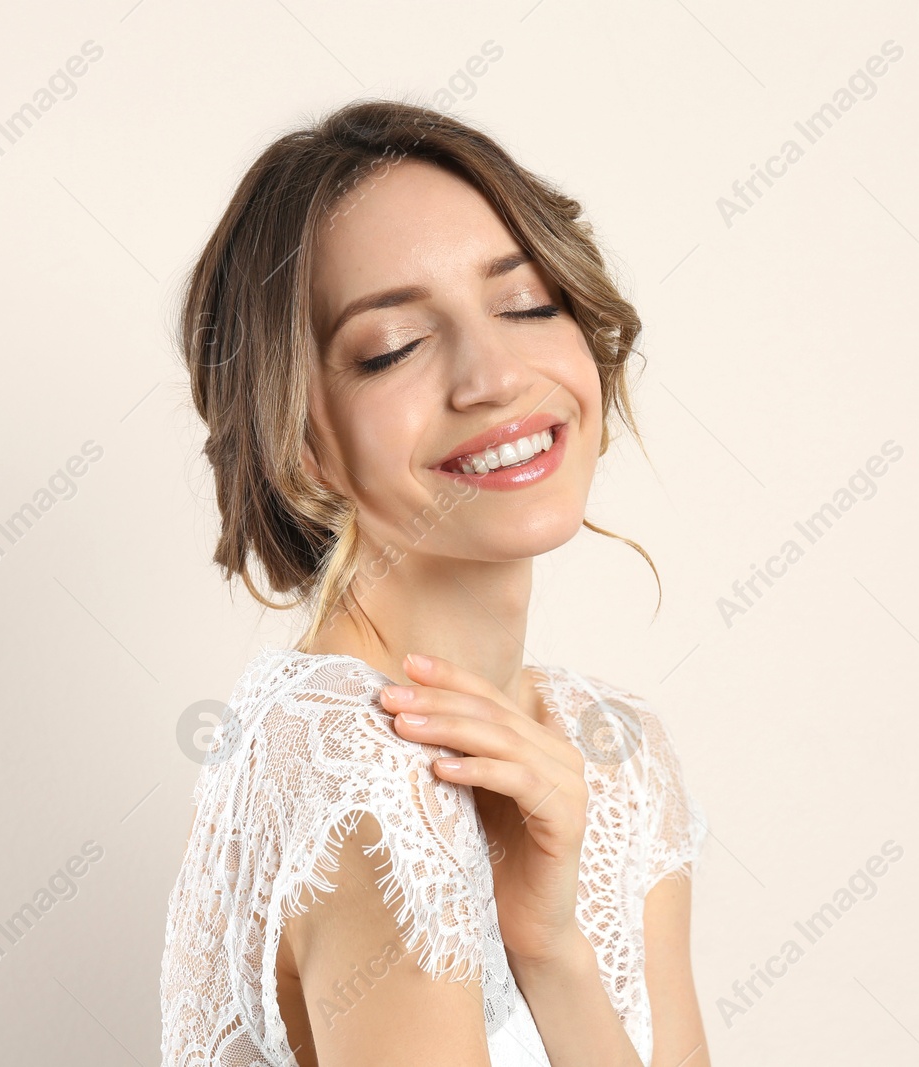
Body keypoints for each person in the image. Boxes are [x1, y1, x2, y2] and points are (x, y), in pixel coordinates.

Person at [160, 98, 710, 1066]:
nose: (493, 375)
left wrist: (551, 951)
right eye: (392, 347)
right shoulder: (357, 771)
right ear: (296, 437)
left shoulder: (614, 754)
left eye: (529, 302)